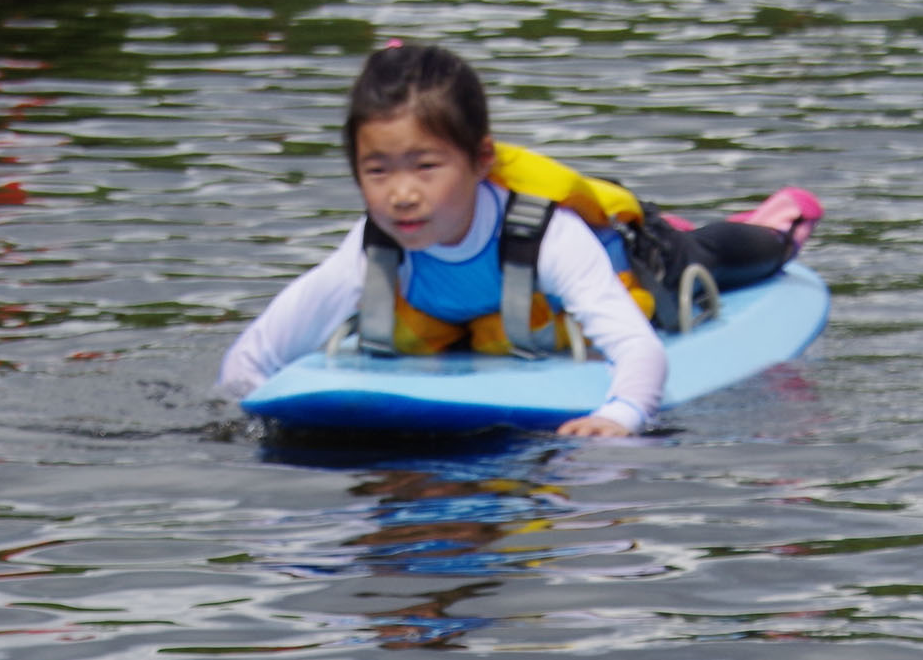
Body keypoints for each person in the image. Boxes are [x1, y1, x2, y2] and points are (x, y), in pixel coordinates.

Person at [214, 42, 820, 438]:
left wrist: (620, 415)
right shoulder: (372, 251)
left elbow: (640, 350)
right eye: (378, 171)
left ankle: (776, 221)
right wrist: (238, 423)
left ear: (481, 161)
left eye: (426, 167)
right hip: (496, 314)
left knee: (724, 257)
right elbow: (255, 354)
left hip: (635, 253)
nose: (401, 194)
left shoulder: (548, 237)